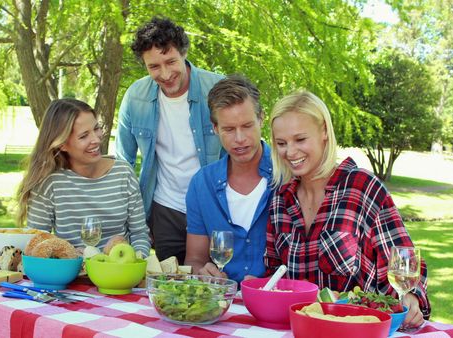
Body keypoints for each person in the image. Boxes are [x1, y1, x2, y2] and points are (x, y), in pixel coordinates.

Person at [265, 91, 430, 328]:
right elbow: (275, 274)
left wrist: (411, 297)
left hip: (358, 329)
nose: (290, 152)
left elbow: (403, 261)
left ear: (324, 132)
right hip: (299, 330)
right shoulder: (280, 200)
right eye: (281, 143)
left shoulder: (363, 188)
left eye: (300, 140)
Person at [115, 17, 224, 263]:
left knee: (216, 285)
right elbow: (124, 163)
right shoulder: (135, 97)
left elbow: (243, 149)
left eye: (170, 62)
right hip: (165, 210)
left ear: (183, 53)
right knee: (172, 290)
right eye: (154, 66)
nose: (165, 74)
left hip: (214, 208)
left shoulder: (217, 89)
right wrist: (135, 220)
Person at [16, 99, 150, 257]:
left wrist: (136, 261)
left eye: (96, 128)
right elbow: (35, 243)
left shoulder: (123, 173)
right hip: (70, 275)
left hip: (120, 276)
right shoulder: (48, 183)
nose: (96, 139)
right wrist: (70, 257)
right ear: (62, 144)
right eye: (84, 136)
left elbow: (140, 234)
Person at [184, 75, 272, 283]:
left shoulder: (287, 176)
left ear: (261, 119)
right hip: (221, 304)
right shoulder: (201, 184)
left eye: (247, 125)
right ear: (215, 128)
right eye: (229, 129)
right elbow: (194, 259)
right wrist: (201, 272)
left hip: (277, 304)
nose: (240, 138)